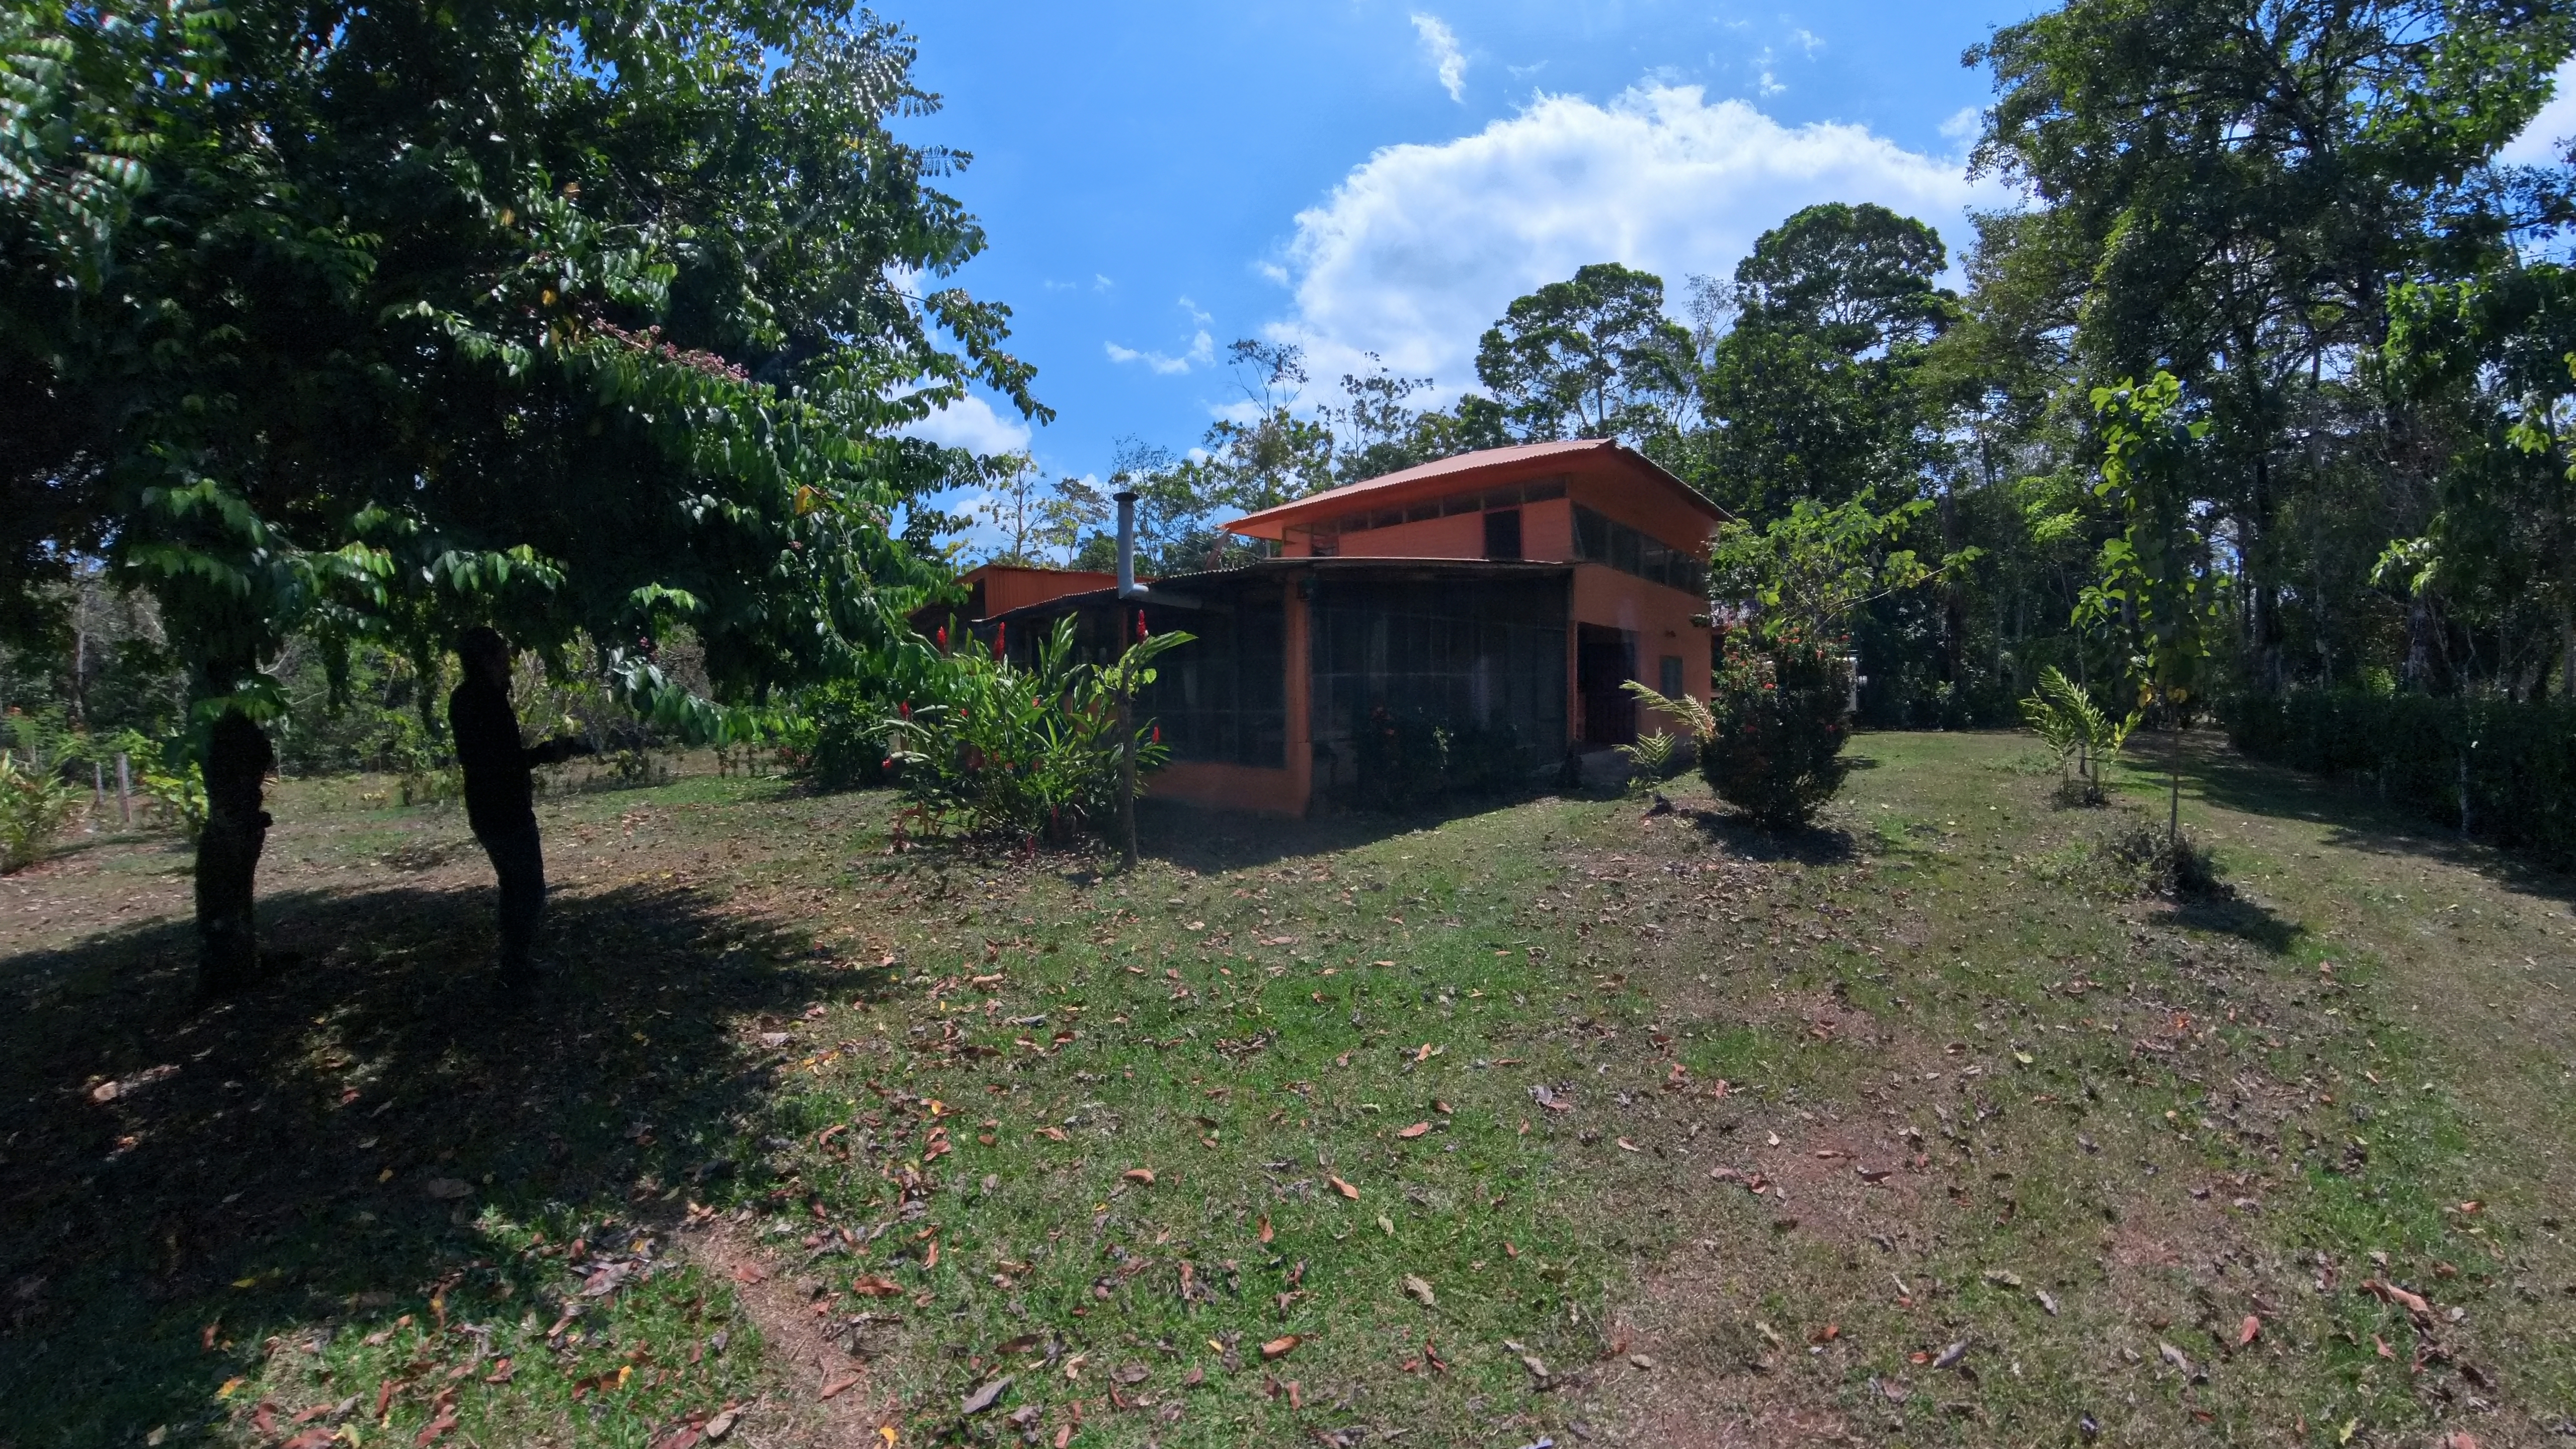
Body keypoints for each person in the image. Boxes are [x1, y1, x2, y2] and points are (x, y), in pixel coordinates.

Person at [449, 627, 590, 983]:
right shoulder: (486, 701)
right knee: (527, 888)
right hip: (504, 808)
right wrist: (547, 753)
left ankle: (515, 963)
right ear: (486, 660)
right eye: (502, 655)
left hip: (486, 807)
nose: (509, 664)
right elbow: (503, 760)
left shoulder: (465, 698)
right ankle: (516, 966)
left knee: (515, 887)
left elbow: (496, 758)